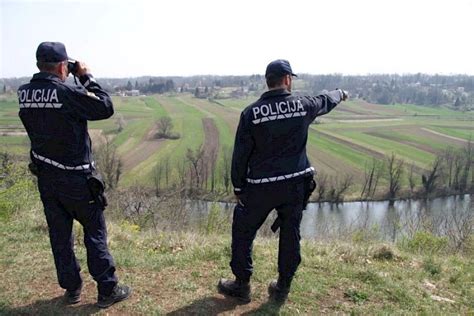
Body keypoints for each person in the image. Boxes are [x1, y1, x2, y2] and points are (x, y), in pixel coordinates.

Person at [218, 59, 348, 304]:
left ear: (267, 81)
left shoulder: (251, 113)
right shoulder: (303, 105)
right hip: (295, 186)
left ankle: (242, 285)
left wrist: (238, 186)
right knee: (291, 235)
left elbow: (240, 155)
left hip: (260, 186)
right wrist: (340, 93)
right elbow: (325, 100)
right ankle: (282, 288)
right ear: (288, 80)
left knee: (243, 230)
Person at [17, 42, 131, 308]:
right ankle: (107, 290)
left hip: (47, 177)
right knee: (94, 231)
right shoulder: (66, 90)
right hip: (77, 179)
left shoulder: (24, 93)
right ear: (61, 66)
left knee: (59, 235)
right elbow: (104, 107)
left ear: (38, 66)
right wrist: (85, 77)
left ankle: (72, 288)